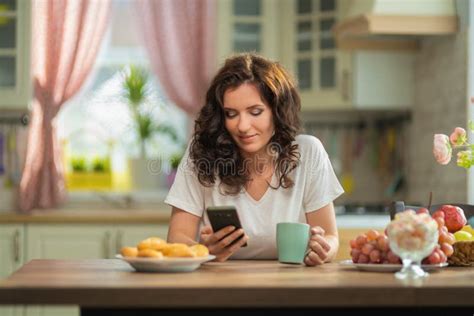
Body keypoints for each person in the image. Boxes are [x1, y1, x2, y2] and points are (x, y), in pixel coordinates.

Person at [165, 53, 344, 265]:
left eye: (255, 112)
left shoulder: (308, 151)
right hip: (220, 284)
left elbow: (330, 237)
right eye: (231, 114)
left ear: (277, 111)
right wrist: (204, 251)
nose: (242, 126)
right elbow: (176, 240)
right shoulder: (201, 153)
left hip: (292, 284)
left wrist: (324, 250)